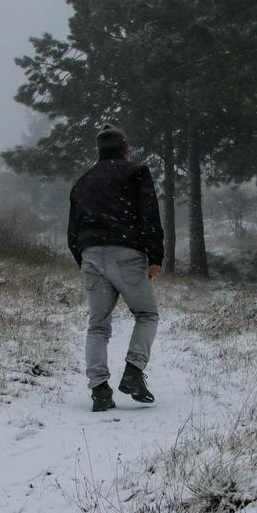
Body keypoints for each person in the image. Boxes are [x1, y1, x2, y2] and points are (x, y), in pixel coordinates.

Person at [67, 124, 163, 412]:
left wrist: (83, 259)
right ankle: (133, 372)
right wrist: (156, 256)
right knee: (146, 314)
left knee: (98, 326)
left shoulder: (83, 181)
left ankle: (99, 390)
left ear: (100, 151)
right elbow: (150, 214)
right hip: (127, 253)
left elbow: (72, 230)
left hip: (91, 255)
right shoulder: (136, 172)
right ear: (124, 149)